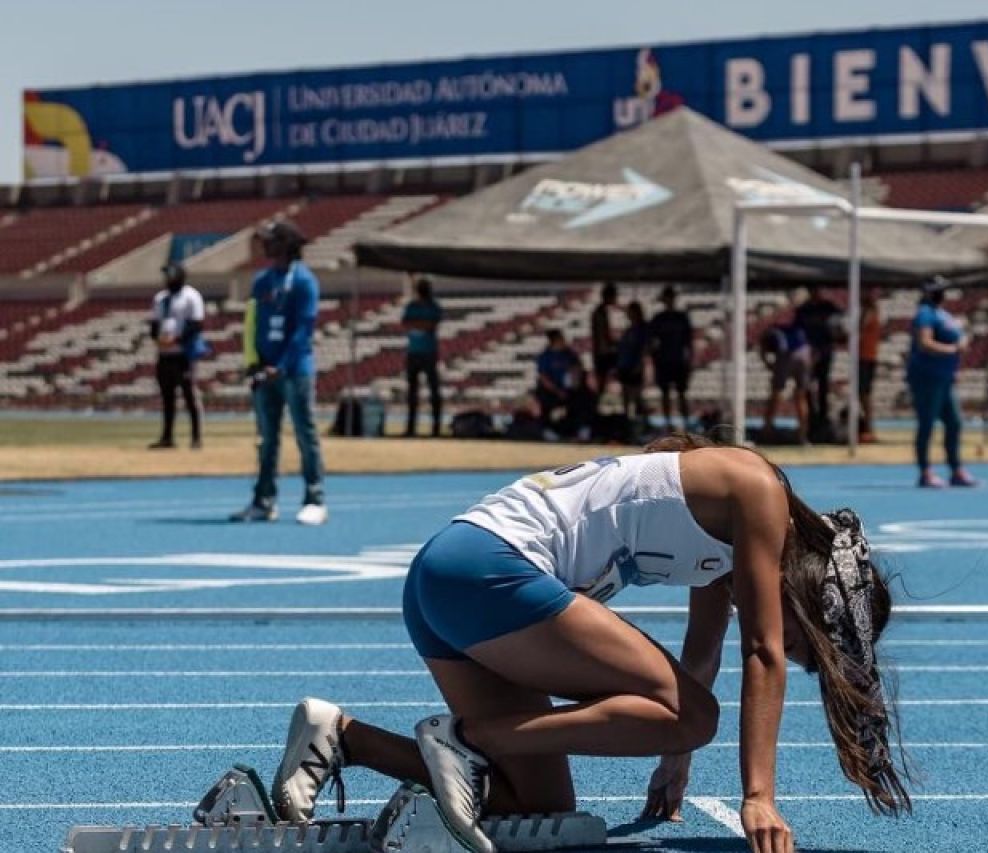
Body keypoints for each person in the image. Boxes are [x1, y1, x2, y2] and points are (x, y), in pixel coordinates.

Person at [267, 435, 910, 853]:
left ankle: (344, 736)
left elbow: (702, 651)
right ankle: (473, 739)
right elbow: (761, 652)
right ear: (806, 595)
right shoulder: (759, 489)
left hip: (448, 580)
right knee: (695, 716)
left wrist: (675, 759)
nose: (793, 658)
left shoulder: (733, 551)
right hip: (487, 569)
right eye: (808, 648)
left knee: (537, 809)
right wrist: (758, 797)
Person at [230, 220, 328, 525]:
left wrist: (281, 365)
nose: (266, 246)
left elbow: (303, 330)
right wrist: (256, 363)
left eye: (272, 241)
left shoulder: (304, 282)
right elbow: (255, 325)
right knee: (266, 439)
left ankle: (315, 498)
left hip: (294, 371)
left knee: (304, 433)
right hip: (266, 373)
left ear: (286, 245)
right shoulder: (263, 281)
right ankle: (264, 500)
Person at [907, 277, 977, 489]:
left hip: (945, 378)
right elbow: (925, 343)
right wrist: (953, 350)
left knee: (954, 422)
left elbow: (958, 336)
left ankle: (956, 469)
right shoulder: (925, 314)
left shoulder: (944, 314)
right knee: (927, 423)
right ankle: (925, 471)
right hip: (927, 376)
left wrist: (962, 342)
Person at [148, 262, 205, 450]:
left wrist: (177, 340)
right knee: (167, 396)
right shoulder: (160, 298)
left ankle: (196, 437)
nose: (168, 278)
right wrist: (159, 339)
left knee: (189, 395)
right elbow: (154, 325)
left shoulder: (191, 296)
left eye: (171, 274)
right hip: (164, 353)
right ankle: (167, 436)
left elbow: (196, 325)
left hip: (184, 354)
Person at [794, 286, 841, 438]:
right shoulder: (804, 309)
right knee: (807, 386)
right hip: (808, 352)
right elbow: (797, 329)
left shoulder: (828, 307)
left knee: (823, 385)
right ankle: (811, 419)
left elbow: (839, 324)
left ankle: (822, 417)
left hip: (825, 351)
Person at [402, 276, 444, 438]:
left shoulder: (433, 307)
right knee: (412, 392)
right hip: (414, 353)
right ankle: (411, 428)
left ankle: (436, 428)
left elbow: (430, 325)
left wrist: (417, 324)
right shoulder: (412, 306)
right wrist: (422, 325)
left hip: (428, 352)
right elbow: (406, 323)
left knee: (433, 391)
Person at [648, 285, 694, 431]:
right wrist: (654, 360)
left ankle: (686, 424)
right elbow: (652, 342)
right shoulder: (658, 319)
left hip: (679, 361)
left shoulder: (681, 318)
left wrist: (689, 362)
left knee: (681, 393)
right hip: (663, 362)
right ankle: (668, 424)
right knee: (665, 394)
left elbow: (689, 343)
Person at [759, 320, 811, 445]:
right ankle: (802, 435)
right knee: (800, 396)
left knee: (777, 393)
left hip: (787, 356)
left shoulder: (773, 331)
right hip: (803, 356)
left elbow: (763, 345)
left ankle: (767, 431)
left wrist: (767, 361)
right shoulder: (798, 330)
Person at [534, 329, 592, 440]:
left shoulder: (569, 355)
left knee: (585, 399)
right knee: (543, 400)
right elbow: (543, 378)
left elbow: (578, 369)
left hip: (571, 390)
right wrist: (558, 391)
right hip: (552, 391)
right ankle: (548, 431)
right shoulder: (545, 356)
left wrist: (575, 383)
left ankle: (583, 430)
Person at [616, 300, 649, 425]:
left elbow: (644, 349)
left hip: (635, 367)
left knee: (636, 397)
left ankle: (641, 424)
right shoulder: (629, 330)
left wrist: (639, 365)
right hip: (624, 366)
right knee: (626, 397)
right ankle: (627, 424)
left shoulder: (642, 329)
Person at [857, 288, 881, 444]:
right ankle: (866, 426)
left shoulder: (869, 312)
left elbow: (860, 328)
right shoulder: (869, 311)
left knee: (864, 394)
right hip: (865, 356)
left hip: (866, 356)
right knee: (862, 393)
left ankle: (869, 428)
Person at [590, 283, 620, 394]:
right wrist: (612, 347)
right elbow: (602, 336)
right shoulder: (599, 313)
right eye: (614, 296)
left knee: (602, 382)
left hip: (602, 352)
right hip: (602, 353)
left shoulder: (601, 311)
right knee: (602, 382)